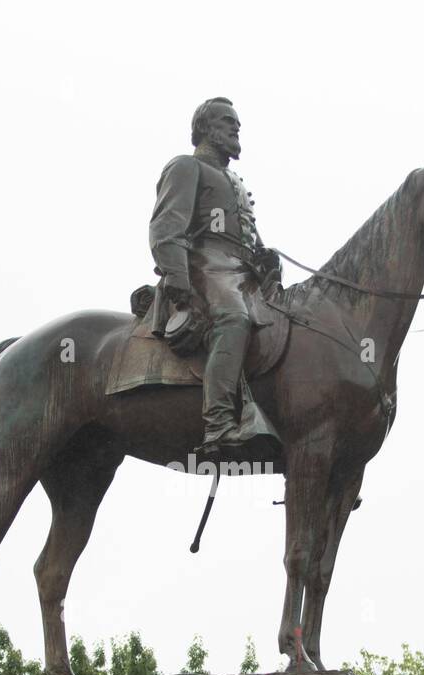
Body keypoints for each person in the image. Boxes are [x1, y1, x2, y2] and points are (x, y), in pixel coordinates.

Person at [148, 97, 281, 458]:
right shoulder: (186, 167)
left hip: (240, 271)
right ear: (206, 128)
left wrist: (265, 256)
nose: (236, 128)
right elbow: (165, 228)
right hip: (203, 266)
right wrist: (178, 279)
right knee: (233, 318)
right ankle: (218, 424)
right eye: (227, 121)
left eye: (237, 122)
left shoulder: (235, 181)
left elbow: (245, 237)